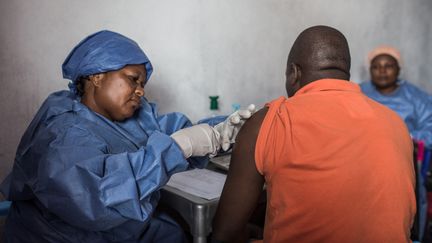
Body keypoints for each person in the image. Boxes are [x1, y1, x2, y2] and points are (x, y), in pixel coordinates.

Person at [0, 30, 255, 243]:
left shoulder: (134, 116)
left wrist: (220, 130)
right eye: (133, 80)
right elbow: (97, 202)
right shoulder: (63, 131)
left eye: (142, 84)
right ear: (97, 76)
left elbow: (173, 132)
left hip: (126, 230)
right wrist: (179, 147)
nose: (140, 92)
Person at [212, 26, 416, 243]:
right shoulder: (395, 122)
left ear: (294, 73)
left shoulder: (270, 121)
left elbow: (225, 233)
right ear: (344, 73)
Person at [360, 45, 432, 148]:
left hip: (405, 154)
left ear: (399, 69)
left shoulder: (417, 97)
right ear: (370, 70)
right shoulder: (358, 93)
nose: (382, 71)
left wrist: (407, 138)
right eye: (376, 67)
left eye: (388, 66)